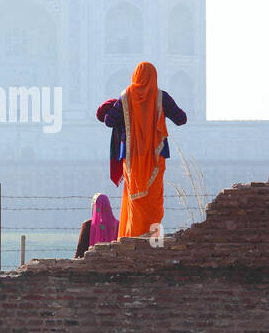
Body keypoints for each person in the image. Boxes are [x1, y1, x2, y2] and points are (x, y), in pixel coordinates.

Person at [98, 61, 188, 238]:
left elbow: (108, 121)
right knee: (153, 201)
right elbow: (181, 119)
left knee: (135, 199)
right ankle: (153, 241)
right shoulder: (162, 97)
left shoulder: (125, 98)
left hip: (132, 158)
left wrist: (112, 108)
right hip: (155, 156)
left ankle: (132, 238)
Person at [74, 192, 120, 258]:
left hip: (90, 266)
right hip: (116, 265)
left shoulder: (88, 225)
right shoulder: (118, 225)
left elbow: (80, 252)